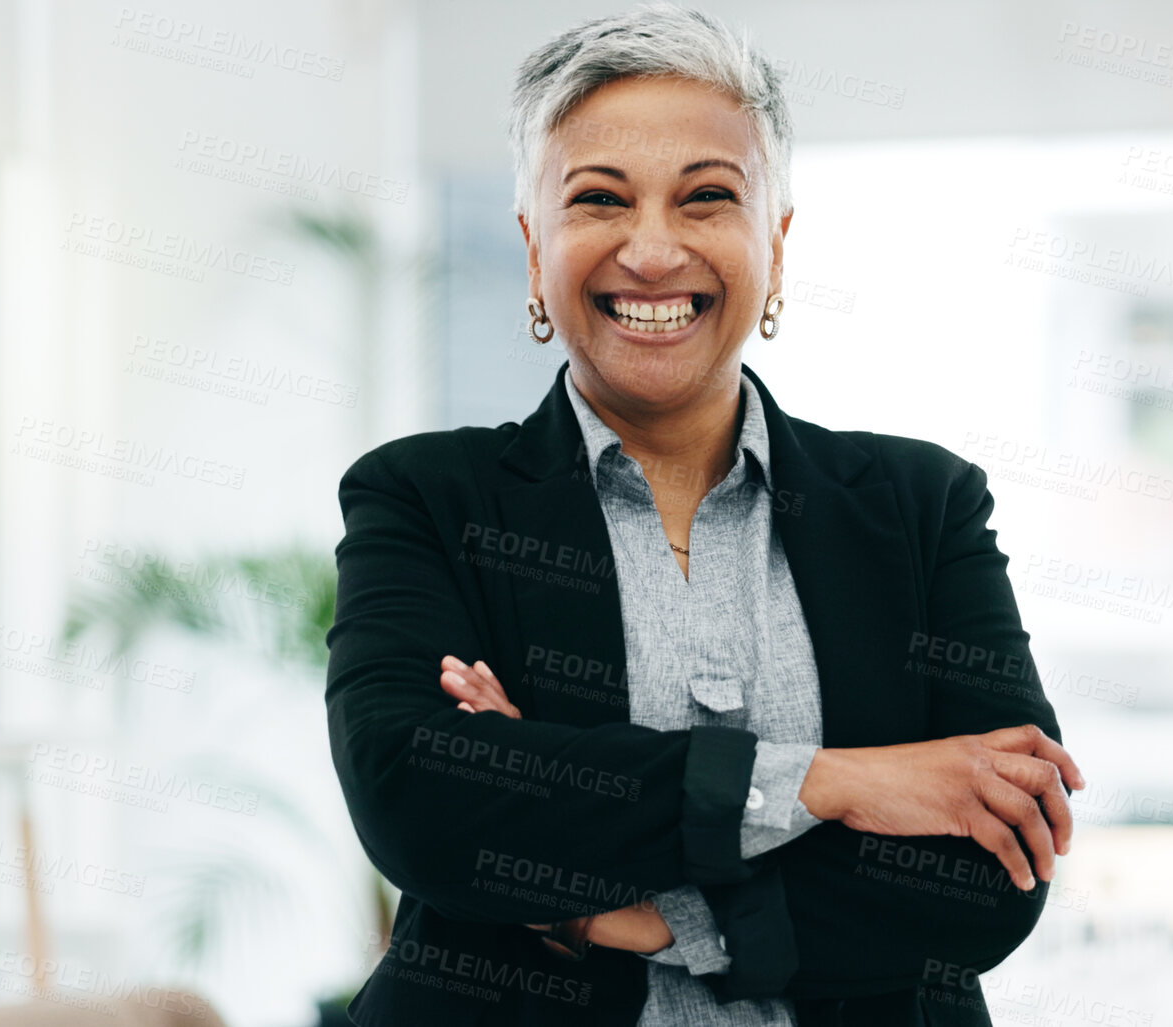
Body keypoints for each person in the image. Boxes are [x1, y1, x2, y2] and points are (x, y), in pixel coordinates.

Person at [324, 5, 1084, 1024]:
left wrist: (629, 910)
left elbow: (993, 870)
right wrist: (832, 783)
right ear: (532, 243)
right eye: (599, 198)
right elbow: (421, 798)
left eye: (707, 198)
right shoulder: (425, 498)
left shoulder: (921, 508)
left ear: (773, 238)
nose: (650, 250)